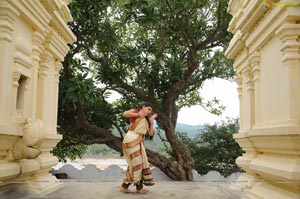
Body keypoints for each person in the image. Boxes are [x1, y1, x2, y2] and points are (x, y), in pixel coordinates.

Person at [120, 102, 158, 194]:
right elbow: (124, 114)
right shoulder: (136, 111)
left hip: (138, 141)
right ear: (143, 107)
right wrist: (138, 114)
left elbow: (150, 134)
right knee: (138, 163)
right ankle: (139, 188)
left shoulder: (146, 119)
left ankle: (125, 186)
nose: (149, 112)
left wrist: (151, 123)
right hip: (131, 139)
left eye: (151, 111)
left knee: (135, 164)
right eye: (148, 109)